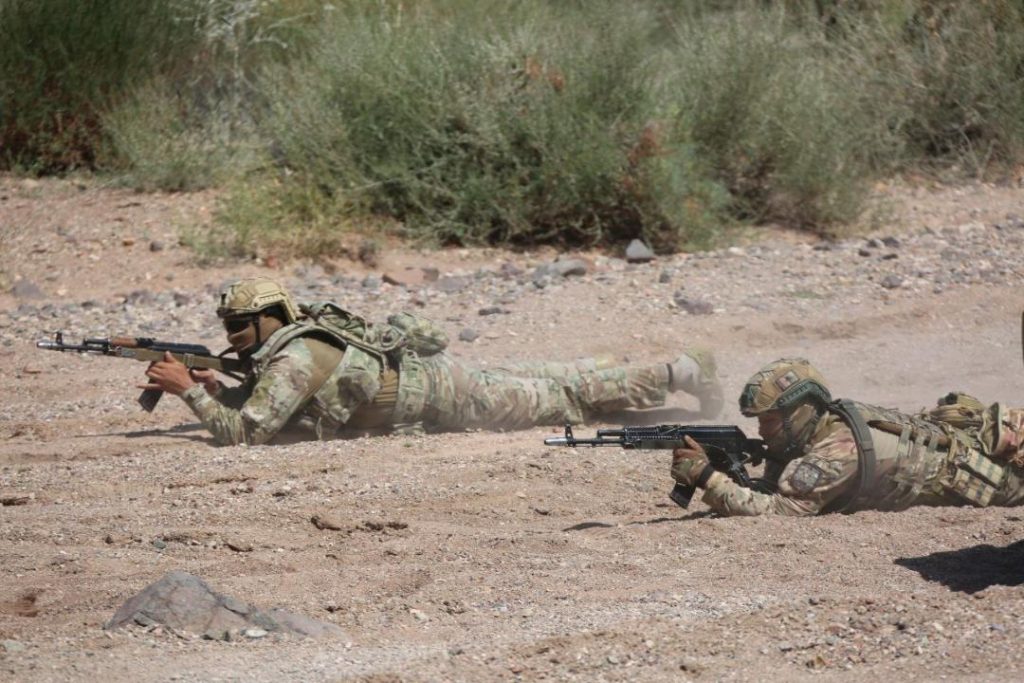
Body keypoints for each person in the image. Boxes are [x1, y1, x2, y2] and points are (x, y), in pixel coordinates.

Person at [141, 277, 724, 446]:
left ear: (269, 318)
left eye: (239, 325)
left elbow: (248, 434)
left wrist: (187, 392)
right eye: (226, 328)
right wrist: (215, 386)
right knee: (558, 378)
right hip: (443, 383)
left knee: (566, 398)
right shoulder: (295, 341)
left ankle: (677, 373)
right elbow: (268, 405)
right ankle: (668, 372)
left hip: (449, 396)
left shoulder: (296, 355)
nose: (233, 336)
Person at [670, 358, 1024, 515]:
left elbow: (782, 508)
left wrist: (707, 478)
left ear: (803, 411)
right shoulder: (827, 425)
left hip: (1001, 484)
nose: (762, 430)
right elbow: (782, 486)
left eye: (771, 420)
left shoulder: (838, 448)